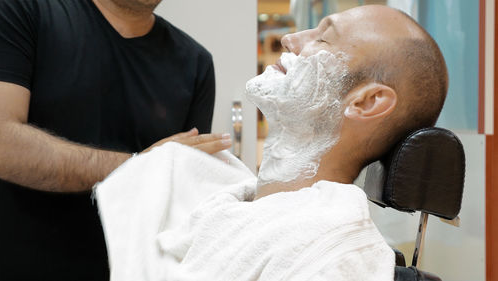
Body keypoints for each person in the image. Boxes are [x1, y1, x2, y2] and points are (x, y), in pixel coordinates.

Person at [96, 4, 448, 281]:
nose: (289, 41)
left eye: (323, 39)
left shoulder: (335, 256)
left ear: (366, 102)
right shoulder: (226, 198)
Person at [0, 0, 232, 280]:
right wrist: (141, 165)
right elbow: (3, 144)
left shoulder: (195, 62)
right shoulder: (22, 10)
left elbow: (184, 194)